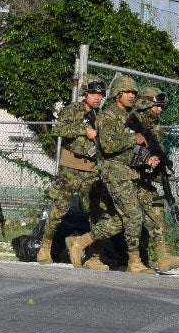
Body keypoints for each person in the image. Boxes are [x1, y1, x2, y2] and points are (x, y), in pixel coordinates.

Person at [66, 74, 154, 273]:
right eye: (127, 92)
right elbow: (108, 145)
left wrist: (147, 158)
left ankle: (81, 241)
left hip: (129, 173)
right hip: (115, 174)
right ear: (117, 95)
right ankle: (134, 261)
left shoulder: (129, 117)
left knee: (119, 219)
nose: (131, 96)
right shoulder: (108, 116)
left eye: (133, 92)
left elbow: (130, 150)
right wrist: (134, 140)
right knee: (133, 216)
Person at [36, 78, 105, 265]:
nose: (97, 98)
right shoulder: (73, 110)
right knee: (59, 209)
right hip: (70, 167)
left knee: (97, 212)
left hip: (92, 169)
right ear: (85, 94)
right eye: (93, 94)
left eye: (100, 95)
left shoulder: (103, 116)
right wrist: (85, 130)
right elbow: (58, 129)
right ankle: (45, 248)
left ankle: (94, 255)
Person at [132, 86, 179, 272]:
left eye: (160, 107)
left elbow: (153, 150)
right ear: (145, 105)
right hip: (124, 178)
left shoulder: (155, 127)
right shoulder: (128, 122)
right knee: (116, 222)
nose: (160, 110)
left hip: (143, 178)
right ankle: (90, 250)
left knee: (157, 209)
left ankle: (163, 256)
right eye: (156, 106)